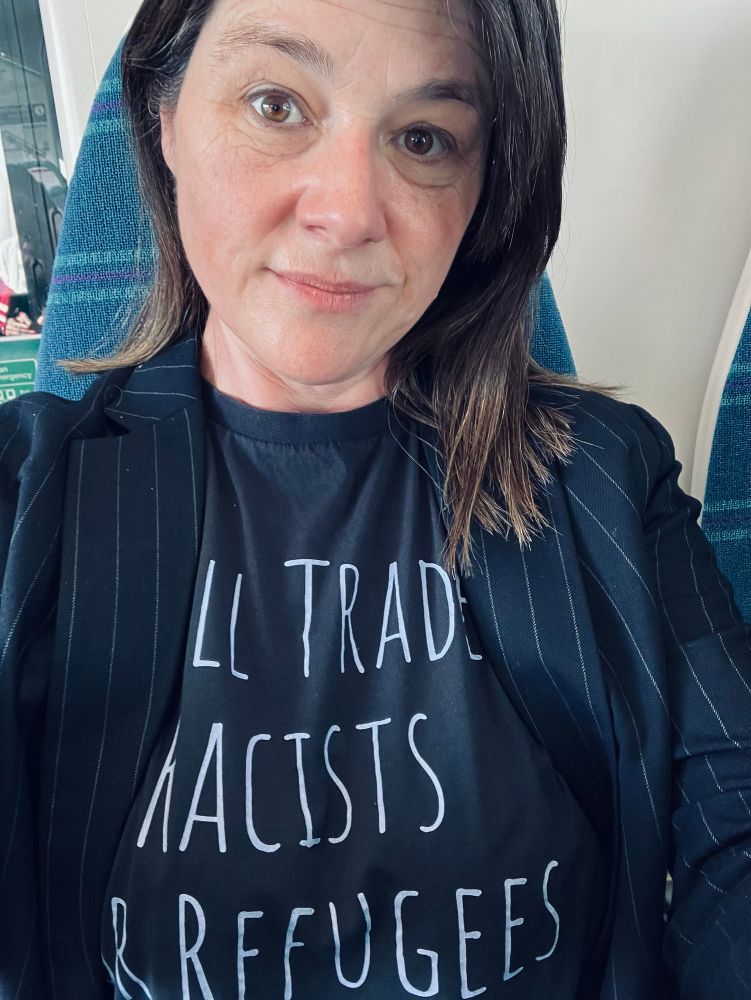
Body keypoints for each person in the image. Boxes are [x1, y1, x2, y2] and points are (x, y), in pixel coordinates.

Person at [0, 1, 749, 998]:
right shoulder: (27, 500)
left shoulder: (608, 479)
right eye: (276, 104)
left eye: (423, 138)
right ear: (164, 116)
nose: (349, 209)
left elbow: (733, 832)